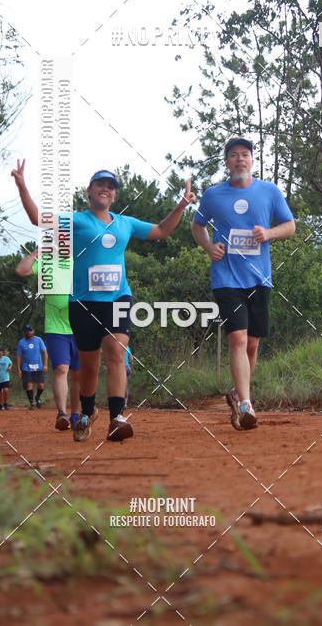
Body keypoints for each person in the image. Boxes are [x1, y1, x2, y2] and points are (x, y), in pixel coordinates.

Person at [11, 160, 195, 443]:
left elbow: (161, 231)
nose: (105, 190)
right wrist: (23, 186)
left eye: (110, 187)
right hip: (83, 302)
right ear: (90, 191)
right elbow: (38, 219)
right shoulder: (77, 220)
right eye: (100, 185)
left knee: (116, 353)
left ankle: (117, 418)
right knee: (90, 365)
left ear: (115, 195)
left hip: (118, 297)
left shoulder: (125, 224)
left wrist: (181, 206)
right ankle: (85, 413)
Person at [192, 136, 295, 430]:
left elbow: (290, 226)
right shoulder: (213, 195)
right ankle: (247, 405)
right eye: (234, 155)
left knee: (252, 343)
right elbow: (197, 226)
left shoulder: (269, 191)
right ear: (226, 163)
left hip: (259, 278)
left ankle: (238, 393)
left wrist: (269, 234)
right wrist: (210, 248)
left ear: (252, 161)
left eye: (245, 155)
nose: (240, 159)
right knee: (237, 338)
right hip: (226, 277)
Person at [16, 250, 81, 431]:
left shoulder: (80, 255)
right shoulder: (45, 259)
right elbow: (22, 270)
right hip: (56, 327)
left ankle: (76, 414)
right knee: (61, 369)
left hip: (81, 326)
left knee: (78, 373)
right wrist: (38, 252)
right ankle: (62, 413)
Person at [16, 325, 48, 409]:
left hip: (38, 367)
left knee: (41, 386)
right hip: (26, 368)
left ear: (33, 331)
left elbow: (44, 352)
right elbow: (19, 356)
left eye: (30, 330)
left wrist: (45, 365)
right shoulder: (21, 342)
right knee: (29, 385)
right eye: (27, 331)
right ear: (24, 332)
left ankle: (37, 397)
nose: (28, 332)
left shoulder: (39, 340)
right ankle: (31, 403)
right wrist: (19, 369)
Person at [124, 344, 132, 410]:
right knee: (125, 386)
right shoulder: (127, 346)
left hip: (121, 368)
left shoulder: (117, 345)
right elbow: (131, 358)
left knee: (118, 387)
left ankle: (119, 404)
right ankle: (125, 404)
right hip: (127, 367)